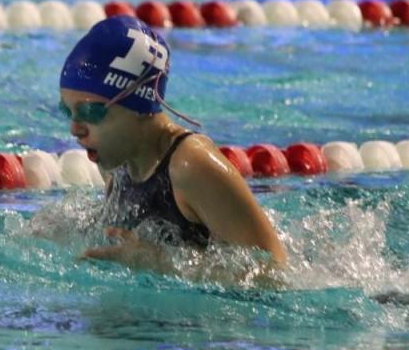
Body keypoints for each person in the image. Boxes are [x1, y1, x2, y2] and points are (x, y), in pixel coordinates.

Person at [58, 14, 287, 274]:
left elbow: (273, 272)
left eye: (90, 113)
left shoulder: (191, 166)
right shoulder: (114, 159)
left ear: (138, 105)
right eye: (68, 112)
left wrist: (161, 263)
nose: (74, 129)